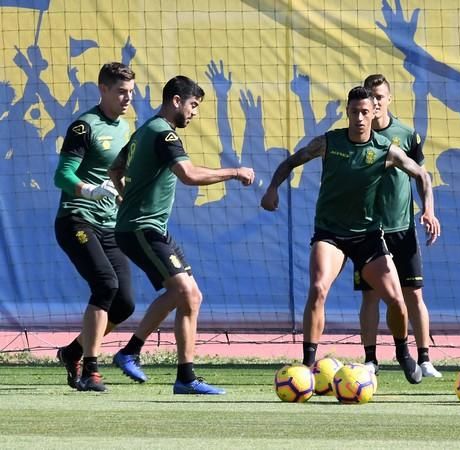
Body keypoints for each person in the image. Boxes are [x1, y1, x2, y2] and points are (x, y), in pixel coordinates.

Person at [261, 86, 440, 384]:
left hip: (368, 236)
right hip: (330, 233)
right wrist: (272, 189)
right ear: (347, 112)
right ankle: (308, 363)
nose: (359, 118)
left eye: (365, 112)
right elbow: (291, 161)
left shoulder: (386, 149)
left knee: (397, 300)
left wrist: (428, 210)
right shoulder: (329, 143)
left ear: (374, 113)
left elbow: (421, 174)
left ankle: (403, 353)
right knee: (318, 288)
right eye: (354, 112)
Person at [108, 76, 255, 395]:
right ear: (176, 101)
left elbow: (115, 170)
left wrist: (125, 196)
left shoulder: (144, 130)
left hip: (147, 227)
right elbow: (188, 175)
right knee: (185, 293)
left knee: (190, 295)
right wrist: (234, 172)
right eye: (193, 105)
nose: (194, 112)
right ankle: (139, 356)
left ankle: (171, 371)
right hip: (141, 228)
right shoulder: (164, 134)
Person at [53, 62, 136, 392]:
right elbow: (62, 175)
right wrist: (89, 189)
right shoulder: (83, 127)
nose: (127, 98)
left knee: (125, 303)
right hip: (76, 219)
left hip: (109, 224)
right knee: (105, 284)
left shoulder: (127, 128)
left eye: (131, 92)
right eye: (121, 92)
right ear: (102, 89)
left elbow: (122, 176)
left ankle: (71, 352)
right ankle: (90, 369)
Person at [357, 74, 442, 378]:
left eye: (380, 96)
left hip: (402, 229)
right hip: (368, 232)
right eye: (371, 97)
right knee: (370, 296)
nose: (375, 102)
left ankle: (425, 358)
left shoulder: (407, 135)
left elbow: (421, 175)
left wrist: (428, 211)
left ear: (389, 99)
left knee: (414, 294)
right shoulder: (357, 137)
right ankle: (370, 360)